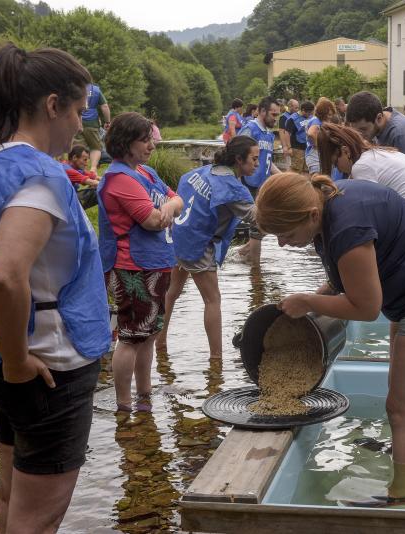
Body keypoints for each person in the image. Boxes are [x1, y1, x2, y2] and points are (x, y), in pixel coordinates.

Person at [0, 44, 112, 532]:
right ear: (53, 105)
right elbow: (3, 273)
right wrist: (18, 362)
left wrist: (9, 360)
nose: (81, 124)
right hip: (44, 364)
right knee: (39, 517)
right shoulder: (39, 175)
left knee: (13, 494)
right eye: (79, 111)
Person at [255, 173, 405, 508]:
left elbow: (366, 307)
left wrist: (308, 302)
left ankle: (403, 497)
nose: (283, 244)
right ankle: (404, 454)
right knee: (403, 402)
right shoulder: (329, 199)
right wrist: (313, 302)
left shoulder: (346, 227)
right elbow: (343, 278)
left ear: (311, 215)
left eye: (286, 234)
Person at [97, 112, 183, 414]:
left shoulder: (145, 173)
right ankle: (124, 404)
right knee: (132, 335)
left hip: (154, 262)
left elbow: (176, 199)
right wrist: (167, 209)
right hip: (131, 267)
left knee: (149, 332)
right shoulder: (119, 179)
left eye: (151, 139)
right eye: (144, 139)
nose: (152, 145)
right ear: (126, 143)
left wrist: (169, 206)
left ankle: (144, 396)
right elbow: (152, 221)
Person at [157, 136, 258, 359]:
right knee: (213, 300)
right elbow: (255, 218)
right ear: (239, 160)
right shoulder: (233, 187)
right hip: (198, 242)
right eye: (254, 158)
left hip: (178, 235)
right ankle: (216, 359)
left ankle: (160, 342)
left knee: (172, 293)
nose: (257, 164)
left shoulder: (204, 171)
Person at [235, 96, 281, 265]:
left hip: (263, 185)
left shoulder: (268, 134)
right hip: (249, 184)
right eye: (273, 114)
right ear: (262, 111)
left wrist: (283, 176)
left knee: (268, 221)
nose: (275, 119)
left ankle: (244, 251)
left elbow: (268, 161)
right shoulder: (250, 129)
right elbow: (235, 151)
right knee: (258, 225)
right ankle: (256, 270)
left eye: (277, 115)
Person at [77, 82, 111, 174]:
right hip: (92, 122)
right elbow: (104, 106)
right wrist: (107, 121)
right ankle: (93, 168)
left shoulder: (75, 87)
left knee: (77, 146)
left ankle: (76, 169)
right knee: (95, 147)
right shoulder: (95, 90)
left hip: (76, 120)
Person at [305, 97, 337, 175]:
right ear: (323, 112)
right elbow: (311, 133)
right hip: (315, 157)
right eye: (329, 114)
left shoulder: (317, 120)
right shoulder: (316, 121)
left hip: (317, 156)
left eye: (332, 114)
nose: (330, 117)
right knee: (318, 182)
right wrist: (321, 146)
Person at [61, 145, 99, 210]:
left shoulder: (72, 165)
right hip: (63, 205)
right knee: (99, 191)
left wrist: (110, 178)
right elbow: (92, 182)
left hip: (65, 200)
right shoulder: (68, 170)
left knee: (97, 187)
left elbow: (94, 177)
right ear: (75, 157)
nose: (86, 164)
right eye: (85, 160)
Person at [285, 100, 313, 174]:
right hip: (297, 148)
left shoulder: (310, 117)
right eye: (309, 112)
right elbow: (287, 133)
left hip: (307, 147)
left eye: (311, 112)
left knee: (307, 170)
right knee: (296, 170)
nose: (310, 114)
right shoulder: (292, 119)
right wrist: (289, 148)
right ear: (303, 110)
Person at [278, 99, 299, 171]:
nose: (297, 110)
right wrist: (285, 147)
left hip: (296, 146)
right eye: (296, 108)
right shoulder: (284, 117)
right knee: (290, 166)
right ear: (290, 106)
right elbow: (281, 132)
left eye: (298, 108)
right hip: (288, 146)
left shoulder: (296, 116)